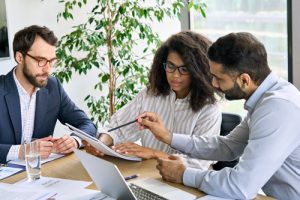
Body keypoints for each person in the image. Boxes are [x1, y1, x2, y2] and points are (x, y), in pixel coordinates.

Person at [137, 32, 300, 199]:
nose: (213, 84)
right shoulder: (267, 99)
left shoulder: (277, 108)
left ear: (244, 80)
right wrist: (168, 137)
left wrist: (184, 174)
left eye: (218, 78)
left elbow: (241, 186)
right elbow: (228, 147)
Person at [85, 31, 221, 168]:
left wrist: (153, 153)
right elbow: (116, 128)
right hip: (150, 175)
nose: (175, 75)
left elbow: (199, 163)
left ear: (198, 71)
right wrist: (101, 144)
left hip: (188, 183)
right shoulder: (151, 94)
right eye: (170, 66)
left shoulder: (209, 110)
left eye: (184, 69)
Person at [0, 25, 97, 164]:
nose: (48, 69)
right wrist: (23, 151)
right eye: (41, 60)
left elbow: (87, 124)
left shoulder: (53, 86)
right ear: (20, 57)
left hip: (40, 175)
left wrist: (74, 140)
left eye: (51, 61)